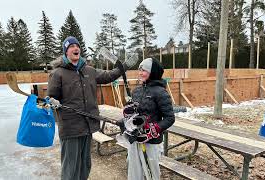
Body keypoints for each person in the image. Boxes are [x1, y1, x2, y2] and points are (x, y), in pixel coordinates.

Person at [47, 36, 131, 180]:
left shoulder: (89, 70)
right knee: (71, 166)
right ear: (66, 52)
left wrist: (124, 67)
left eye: (77, 46)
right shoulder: (58, 73)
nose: (75, 48)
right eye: (71, 46)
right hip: (70, 127)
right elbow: (50, 98)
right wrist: (52, 102)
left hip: (87, 125)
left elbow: (108, 75)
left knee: (85, 164)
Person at [124, 58, 175, 180]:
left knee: (151, 173)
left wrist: (155, 128)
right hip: (135, 138)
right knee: (134, 172)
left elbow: (170, 118)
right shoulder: (136, 91)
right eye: (139, 70)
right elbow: (134, 114)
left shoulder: (161, 92)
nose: (140, 73)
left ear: (153, 72)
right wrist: (128, 113)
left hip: (152, 142)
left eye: (144, 70)